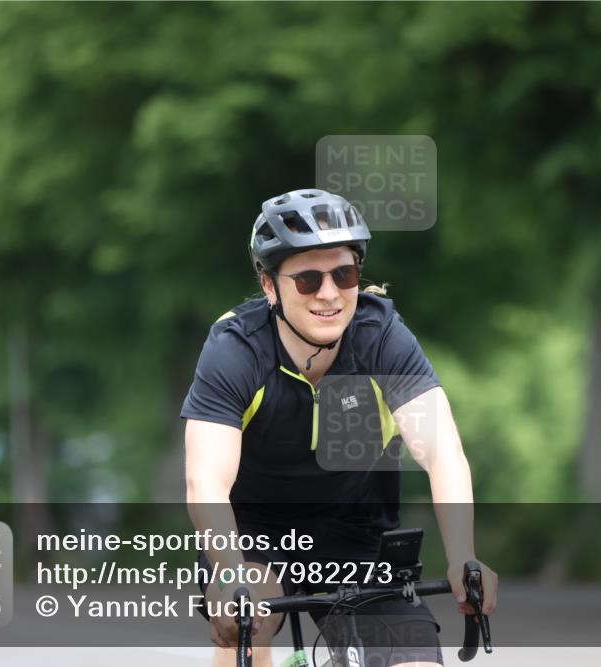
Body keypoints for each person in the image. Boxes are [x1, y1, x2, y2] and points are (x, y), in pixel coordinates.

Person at [182, 189, 497, 667]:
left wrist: (463, 557)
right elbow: (206, 482)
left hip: (357, 533)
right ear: (270, 286)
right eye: (307, 279)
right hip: (255, 535)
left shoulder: (383, 338)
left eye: (343, 275)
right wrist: (228, 574)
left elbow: (442, 453)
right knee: (248, 621)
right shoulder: (235, 350)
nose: (329, 294)